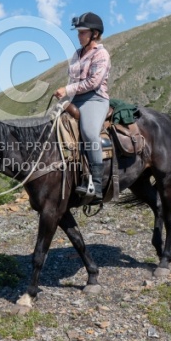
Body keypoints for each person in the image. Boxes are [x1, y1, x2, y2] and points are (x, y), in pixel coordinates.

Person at [55, 12, 111, 202]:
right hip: (75, 98)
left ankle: (96, 185)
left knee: (89, 132)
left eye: (82, 33)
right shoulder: (77, 54)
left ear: (94, 34)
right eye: (78, 33)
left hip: (94, 99)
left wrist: (67, 89)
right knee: (51, 123)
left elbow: (94, 82)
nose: (79, 36)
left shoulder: (101, 54)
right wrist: (65, 96)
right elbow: (74, 79)